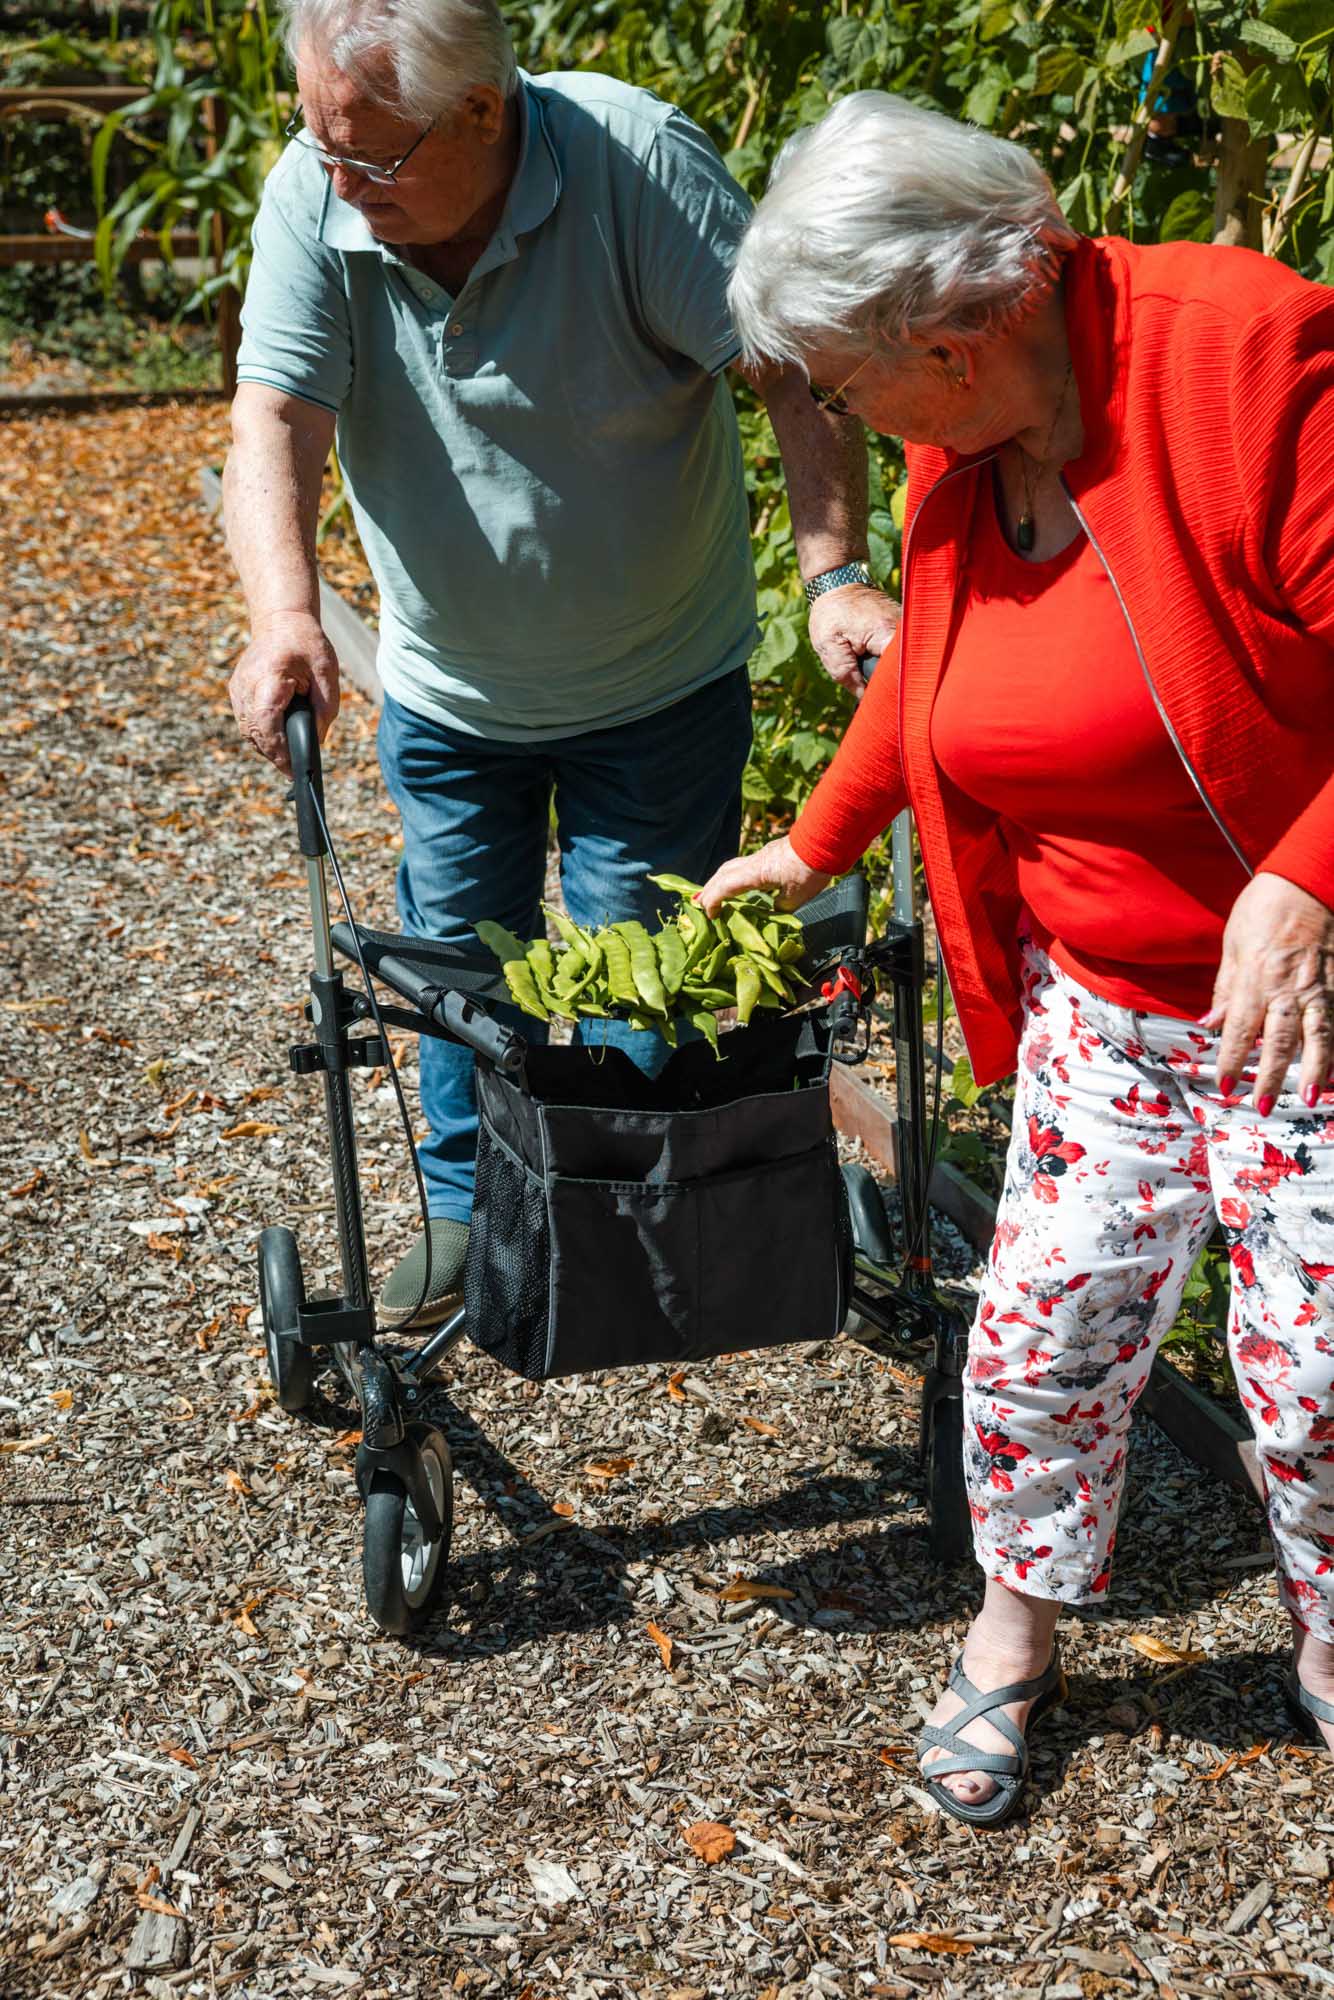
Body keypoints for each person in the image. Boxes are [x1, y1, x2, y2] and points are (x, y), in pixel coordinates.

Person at [699, 90, 1334, 1821]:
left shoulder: (1246, 362)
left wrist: (1306, 873)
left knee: (1320, 1387)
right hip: (1104, 1004)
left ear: (956, 337)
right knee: (1035, 1347)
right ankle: (1010, 1636)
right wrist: (818, 837)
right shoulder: (960, 436)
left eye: (843, 383)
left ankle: (1328, 1655)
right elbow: (935, 665)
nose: (840, 414)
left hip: (1310, 1015)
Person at [224, 0, 896, 1324]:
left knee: (643, 975)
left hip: (656, 679)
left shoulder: (636, 166)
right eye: (320, 142)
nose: (339, 180)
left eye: (371, 154)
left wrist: (833, 575)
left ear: (482, 109)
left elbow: (793, 375)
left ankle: (641, 1225)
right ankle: (474, 1218)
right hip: (451, 684)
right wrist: (287, 612)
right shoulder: (320, 190)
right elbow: (278, 409)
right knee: (460, 974)